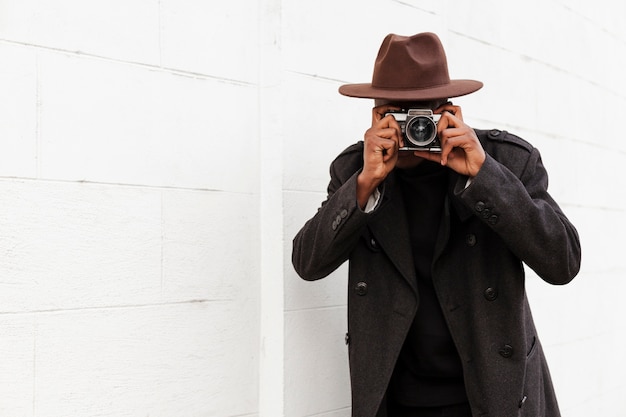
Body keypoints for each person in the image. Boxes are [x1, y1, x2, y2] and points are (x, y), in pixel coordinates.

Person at [291, 32, 581, 417]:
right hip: (398, 399)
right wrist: (364, 186)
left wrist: (483, 176)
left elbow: (563, 262)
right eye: (397, 114)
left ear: (447, 111)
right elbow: (307, 263)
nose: (413, 129)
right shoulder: (354, 170)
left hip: (493, 395)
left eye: (421, 113)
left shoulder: (505, 161)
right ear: (376, 114)